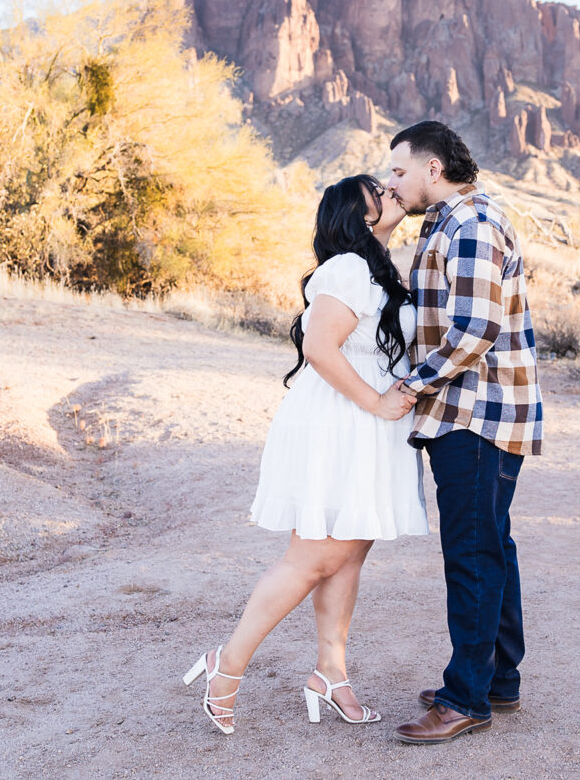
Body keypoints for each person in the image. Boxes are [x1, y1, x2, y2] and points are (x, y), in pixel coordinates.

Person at [183, 174, 429, 735]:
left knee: (347, 557)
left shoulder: (380, 268)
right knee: (312, 558)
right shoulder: (346, 266)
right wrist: (376, 401)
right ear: (356, 214)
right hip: (343, 421)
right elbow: (319, 347)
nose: (392, 191)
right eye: (380, 191)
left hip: (369, 426)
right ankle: (227, 664)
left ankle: (331, 674)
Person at [384, 120, 544, 745]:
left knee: (473, 553)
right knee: (491, 545)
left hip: (473, 413)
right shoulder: (449, 223)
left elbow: (474, 331)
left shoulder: (472, 225)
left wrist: (408, 387)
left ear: (432, 168)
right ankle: (496, 680)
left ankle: (465, 697)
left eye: (399, 171)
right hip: (473, 411)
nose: (392, 183)